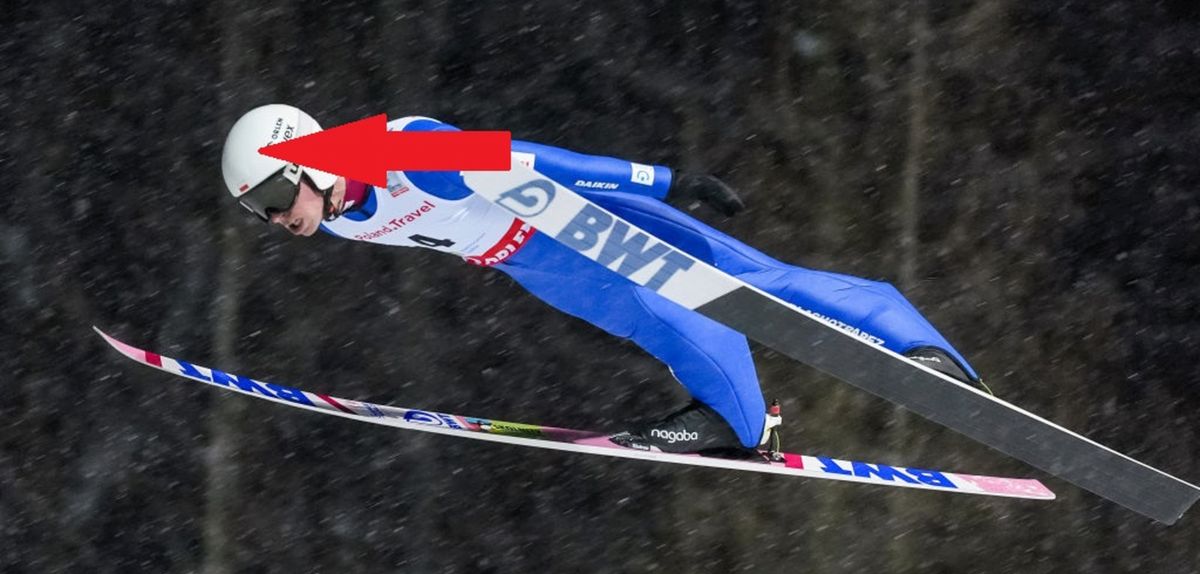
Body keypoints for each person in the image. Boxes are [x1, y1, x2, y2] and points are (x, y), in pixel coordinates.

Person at [221, 104, 983, 457]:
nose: (276, 218)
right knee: (657, 320)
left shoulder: (406, 150)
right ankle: (739, 422)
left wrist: (664, 180)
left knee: (753, 284)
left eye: (275, 197)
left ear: (309, 161)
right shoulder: (342, 212)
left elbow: (537, 159)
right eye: (260, 210)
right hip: (530, 262)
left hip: (583, 218)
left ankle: (915, 343)